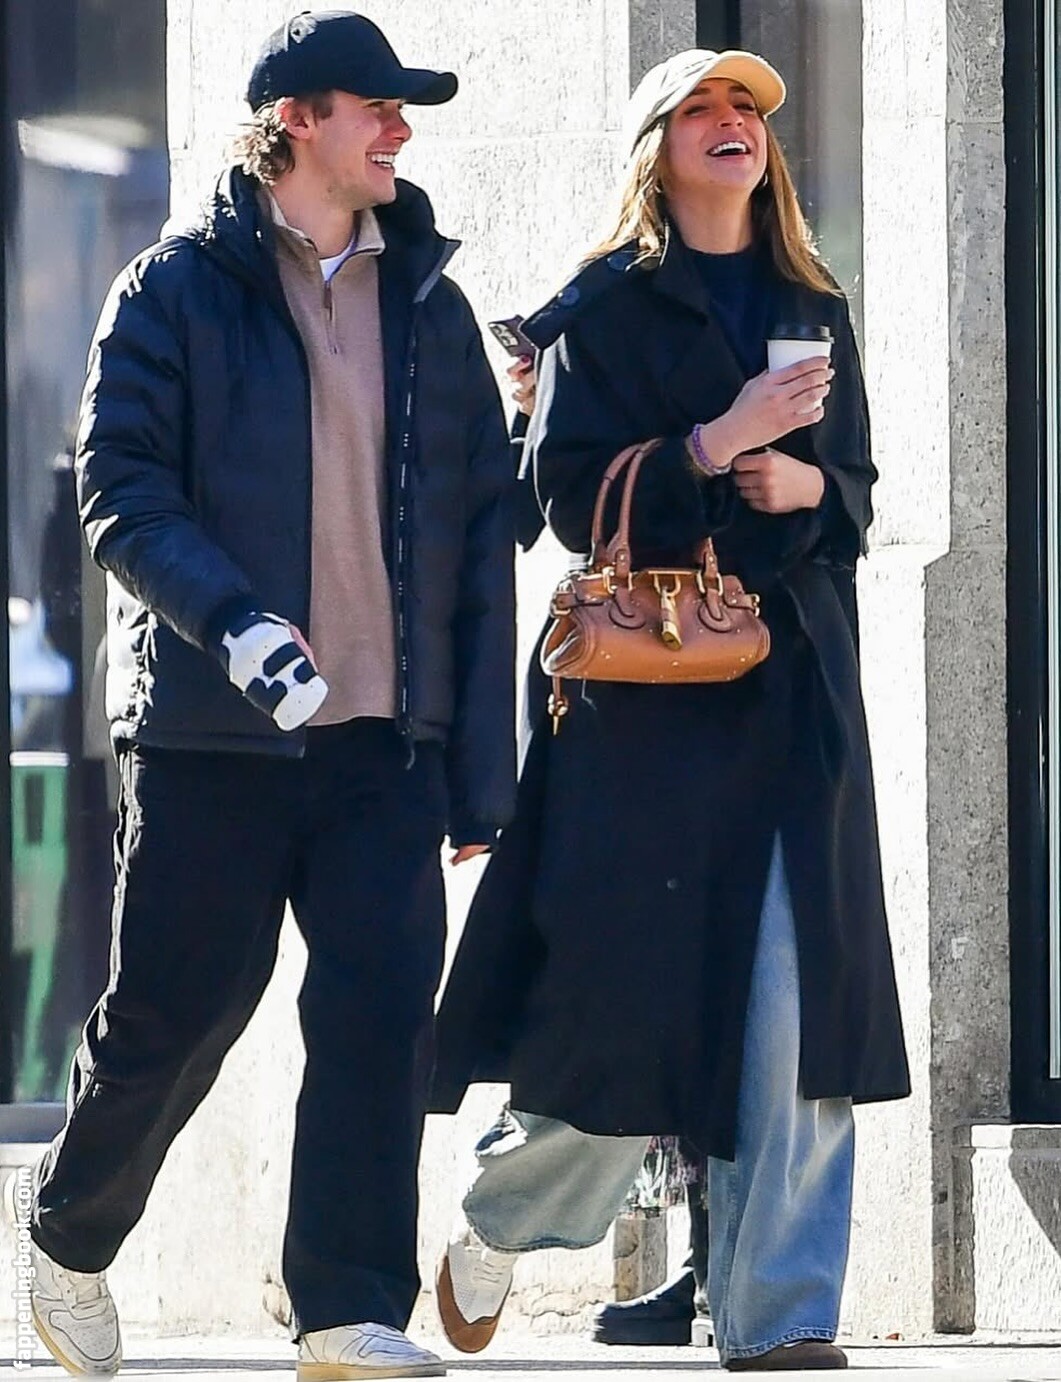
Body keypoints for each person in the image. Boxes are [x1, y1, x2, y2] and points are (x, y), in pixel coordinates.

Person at [3, 11, 515, 1380]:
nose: (399, 128)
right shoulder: (173, 290)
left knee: (380, 1018)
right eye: (376, 106)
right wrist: (232, 621)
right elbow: (121, 493)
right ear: (295, 117)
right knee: (181, 1013)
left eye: (405, 110)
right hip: (211, 733)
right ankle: (66, 1229)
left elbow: (481, 537)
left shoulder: (431, 306)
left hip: (383, 742)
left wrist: (480, 766)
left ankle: (345, 1306)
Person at [430, 47, 909, 1372]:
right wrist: (716, 444)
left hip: (793, 702)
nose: (730, 123)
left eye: (745, 107)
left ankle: (781, 1318)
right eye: (700, 107)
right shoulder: (603, 311)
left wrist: (816, 491)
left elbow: (855, 488)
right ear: (657, 149)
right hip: (644, 715)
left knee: (791, 1016)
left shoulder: (814, 303)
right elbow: (564, 502)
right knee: (622, 1019)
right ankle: (501, 1219)